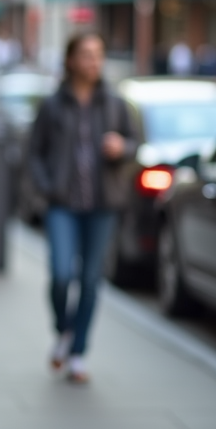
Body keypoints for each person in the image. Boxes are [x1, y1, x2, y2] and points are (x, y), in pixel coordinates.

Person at [28, 32, 136, 384]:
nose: (94, 61)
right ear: (71, 60)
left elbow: (137, 144)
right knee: (61, 275)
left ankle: (77, 353)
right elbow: (34, 151)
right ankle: (64, 329)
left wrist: (123, 147)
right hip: (63, 205)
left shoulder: (115, 103)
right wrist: (45, 186)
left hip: (103, 205)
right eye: (87, 54)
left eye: (99, 54)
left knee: (90, 280)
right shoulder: (53, 105)